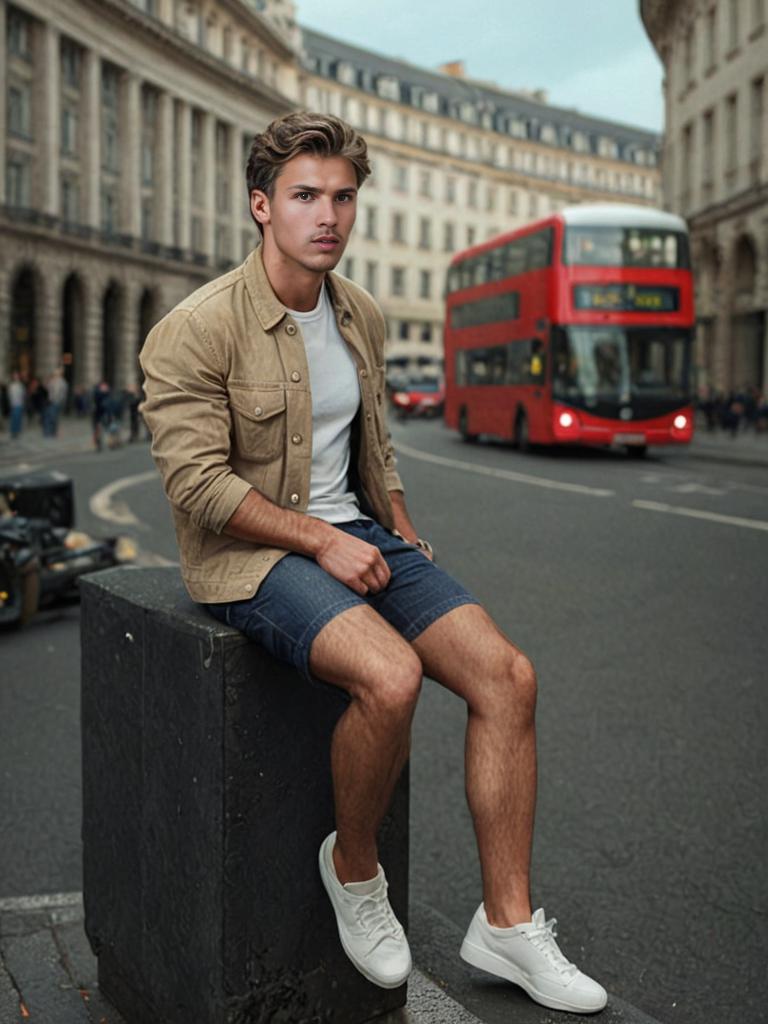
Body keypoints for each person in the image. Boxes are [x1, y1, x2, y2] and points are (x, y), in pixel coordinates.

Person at [140, 112, 607, 1015]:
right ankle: (355, 871)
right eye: (306, 196)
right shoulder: (195, 329)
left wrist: (394, 521)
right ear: (261, 206)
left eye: (343, 196)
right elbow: (197, 488)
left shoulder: (360, 313)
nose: (329, 216)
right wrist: (322, 538)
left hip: (360, 531)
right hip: (250, 556)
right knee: (391, 679)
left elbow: (371, 441)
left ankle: (506, 927)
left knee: (509, 678)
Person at [7, 372, 26, 440]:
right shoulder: (11, 386)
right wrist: (11, 403)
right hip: (13, 404)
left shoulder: (21, 385)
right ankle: (13, 432)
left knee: (18, 418)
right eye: (15, 376)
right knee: (13, 419)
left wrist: (22, 403)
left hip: (19, 404)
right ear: (13, 378)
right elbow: (10, 395)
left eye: (17, 376)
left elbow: (23, 395)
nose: (16, 378)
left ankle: (17, 431)